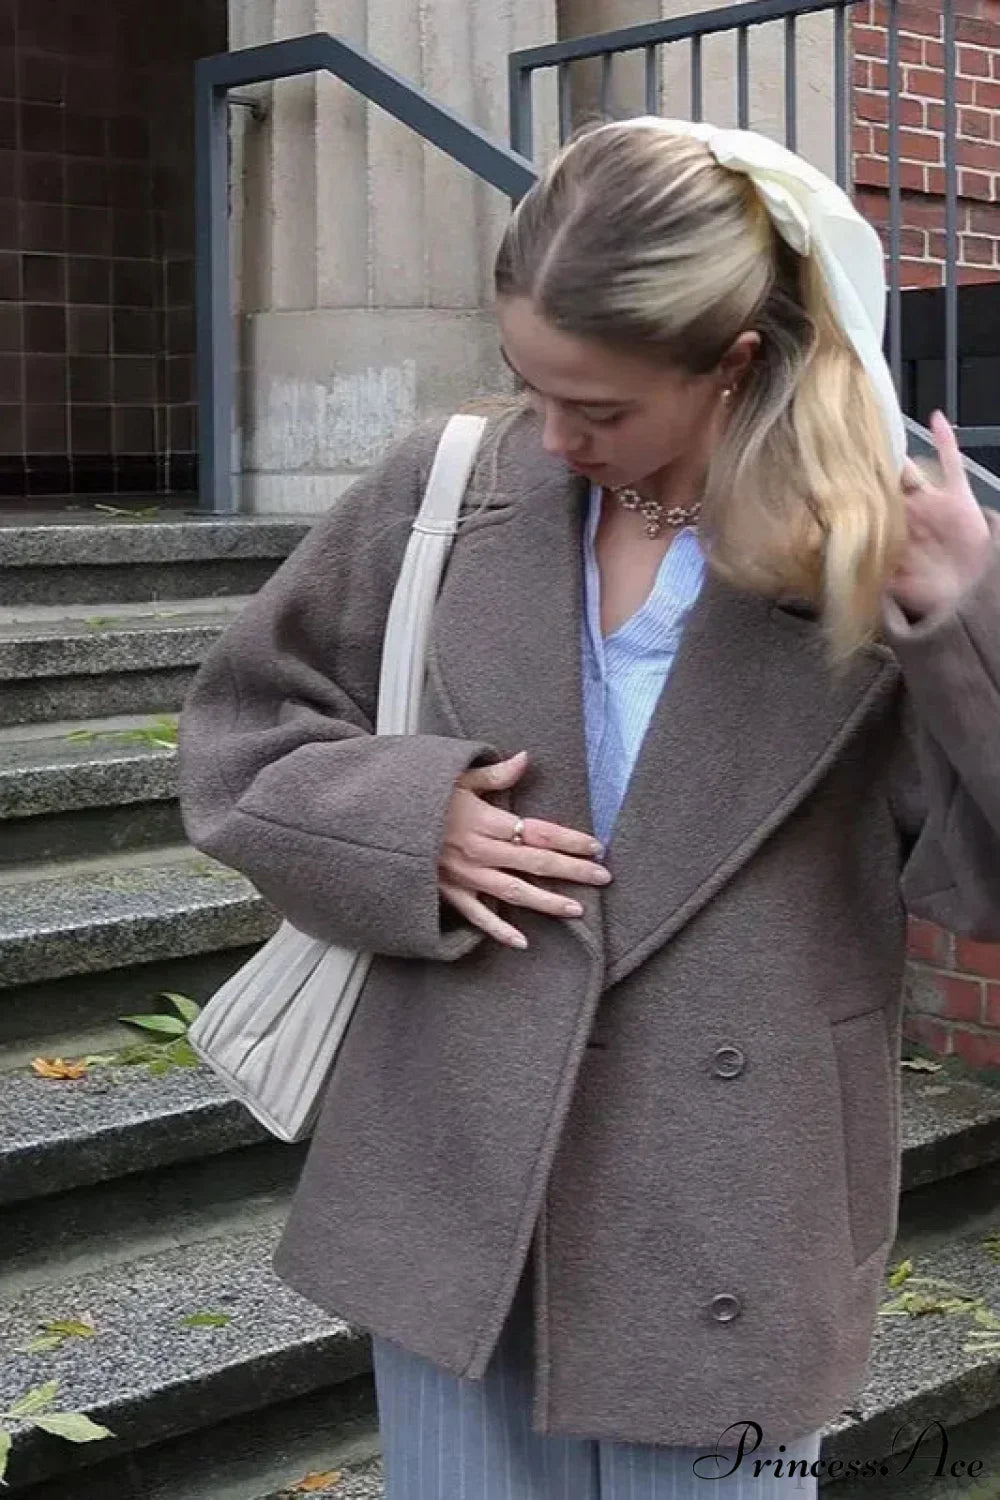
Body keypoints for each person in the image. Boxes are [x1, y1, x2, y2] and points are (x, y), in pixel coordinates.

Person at [177, 118, 1000, 1498]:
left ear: (734, 360)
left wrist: (972, 623)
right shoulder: (450, 487)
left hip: (733, 1207)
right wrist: (410, 824)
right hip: (457, 1180)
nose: (557, 435)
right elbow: (242, 737)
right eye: (532, 384)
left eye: (603, 409)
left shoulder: (879, 547)